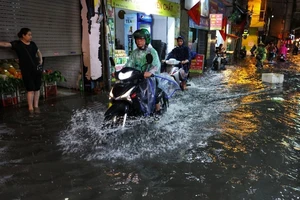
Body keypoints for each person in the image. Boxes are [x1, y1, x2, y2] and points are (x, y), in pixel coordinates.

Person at [0, 28, 43, 116]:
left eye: (31, 35)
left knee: (37, 88)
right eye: (29, 35)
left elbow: (39, 52)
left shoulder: (33, 44)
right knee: (30, 89)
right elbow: (5, 44)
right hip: (26, 70)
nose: (31, 36)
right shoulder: (18, 44)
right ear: (23, 35)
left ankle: (36, 106)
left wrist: (41, 60)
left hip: (36, 69)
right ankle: (30, 108)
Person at [124, 28, 161, 113]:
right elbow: (129, 64)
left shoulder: (152, 52)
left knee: (153, 94)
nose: (138, 41)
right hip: (137, 77)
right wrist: (121, 71)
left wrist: (150, 73)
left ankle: (158, 109)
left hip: (150, 78)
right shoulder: (134, 53)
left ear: (146, 39)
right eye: (137, 39)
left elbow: (156, 65)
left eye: (141, 39)